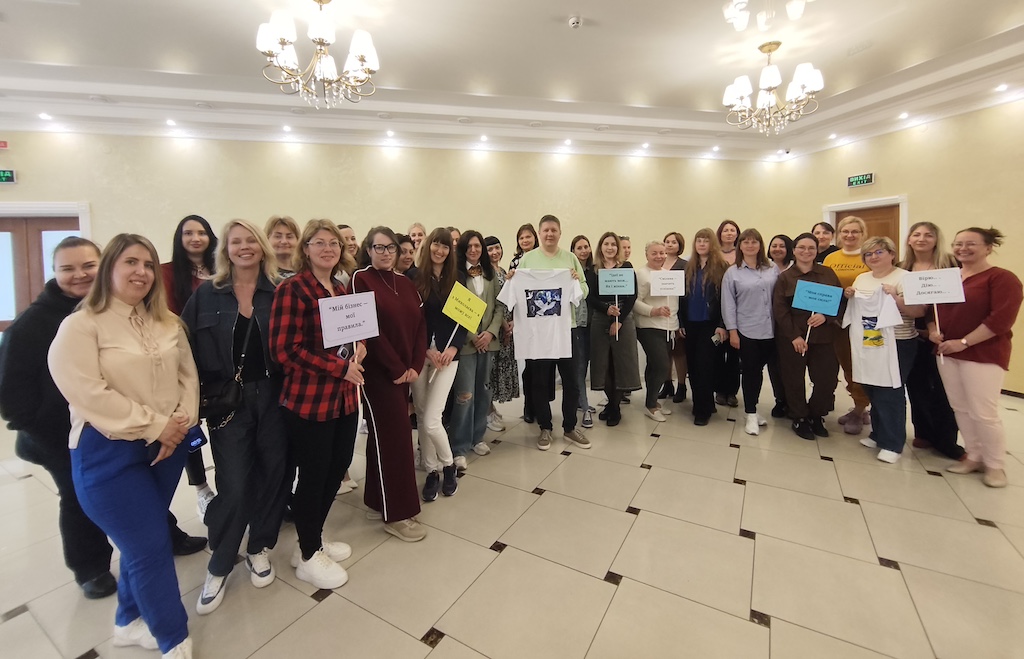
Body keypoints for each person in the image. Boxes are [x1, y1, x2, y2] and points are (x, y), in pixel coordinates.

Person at [49, 234, 199, 659]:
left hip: (168, 446)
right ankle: (173, 637)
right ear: (109, 269)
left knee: (142, 541)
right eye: (131, 262)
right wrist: (156, 426)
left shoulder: (168, 323)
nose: (142, 272)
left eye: (149, 264)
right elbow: (87, 392)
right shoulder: (82, 325)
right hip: (108, 451)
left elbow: (188, 377)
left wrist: (180, 423)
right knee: (150, 546)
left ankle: (127, 622)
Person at [181, 219, 289, 614]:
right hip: (228, 402)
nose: (244, 247)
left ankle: (259, 546)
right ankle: (221, 562)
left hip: (276, 396)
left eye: (250, 241)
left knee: (274, 474)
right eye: (235, 242)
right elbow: (184, 350)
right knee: (236, 482)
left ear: (262, 247)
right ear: (225, 249)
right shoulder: (207, 295)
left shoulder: (280, 290)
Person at [0, 237, 117, 600]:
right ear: (54, 272)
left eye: (88, 265)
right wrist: (55, 436)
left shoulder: (111, 308)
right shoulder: (30, 326)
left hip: (112, 426)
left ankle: (166, 536)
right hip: (59, 437)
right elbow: (12, 400)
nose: (80, 275)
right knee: (79, 497)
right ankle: (90, 568)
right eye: (68, 268)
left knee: (137, 486)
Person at [270, 220, 363, 588]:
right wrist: (340, 368)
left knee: (336, 469)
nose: (328, 249)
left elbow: (349, 337)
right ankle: (309, 555)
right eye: (319, 242)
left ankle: (310, 540)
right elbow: (285, 351)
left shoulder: (340, 289)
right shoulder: (292, 289)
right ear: (305, 249)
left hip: (344, 399)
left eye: (334, 243)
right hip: (309, 402)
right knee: (313, 477)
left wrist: (359, 346)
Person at [351, 227, 428, 540]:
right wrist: (397, 368)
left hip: (405, 373)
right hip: (379, 375)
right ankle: (397, 514)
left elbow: (420, 326)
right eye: (378, 247)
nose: (385, 253)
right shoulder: (361, 279)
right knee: (396, 440)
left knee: (383, 439)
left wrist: (415, 365)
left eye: (390, 247)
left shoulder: (405, 282)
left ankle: (376, 499)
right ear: (368, 250)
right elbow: (367, 329)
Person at [932, 227, 1023, 487]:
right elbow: (932, 310)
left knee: (984, 412)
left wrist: (963, 343)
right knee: (960, 407)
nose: (963, 248)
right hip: (947, 352)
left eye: (971, 244)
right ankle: (974, 456)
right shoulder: (949, 277)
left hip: (982, 354)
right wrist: (933, 331)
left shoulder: (1002, 278)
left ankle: (995, 465)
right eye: (958, 243)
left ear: (988, 248)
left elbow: (1000, 320)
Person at [499, 215, 590, 451]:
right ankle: (545, 427)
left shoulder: (570, 258)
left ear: (560, 233)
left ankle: (570, 427)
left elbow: (584, 289)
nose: (550, 234)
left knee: (572, 382)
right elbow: (514, 293)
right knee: (539, 382)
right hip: (537, 333)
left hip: (566, 329)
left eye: (554, 230)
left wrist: (576, 281)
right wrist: (511, 280)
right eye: (546, 230)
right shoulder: (527, 259)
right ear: (540, 233)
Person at [844, 236, 922, 463]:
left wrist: (895, 297)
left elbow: (918, 311)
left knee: (890, 391)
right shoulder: (862, 278)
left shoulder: (904, 278)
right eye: (868, 254)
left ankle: (893, 443)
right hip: (870, 341)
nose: (873, 257)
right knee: (872, 386)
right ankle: (878, 434)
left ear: (892, 254)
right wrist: (850, 294)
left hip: (897, 342)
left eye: (879, 252)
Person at [161, 214, 217, 518]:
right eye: (188, 233)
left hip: (219, 359)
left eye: (201, 232)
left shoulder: (222, 268)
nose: (195, 238)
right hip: (183, 360)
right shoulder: (166, 273)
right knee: (189, 425)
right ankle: (202, 489)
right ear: (179, 239)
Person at [410, 227, 467, 499]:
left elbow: (465, 320)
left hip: (447, 357)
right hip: (421, 357)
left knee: (433, 418)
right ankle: (431, 470)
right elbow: (410, 321)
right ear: (428, 245)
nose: (440, 250)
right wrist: (423, 351)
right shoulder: (413, 278)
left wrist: (453, 348)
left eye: (445, 246)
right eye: (436, 244)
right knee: (422, 415)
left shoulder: (458, 279)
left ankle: (448, 466)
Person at [900, 222, 964, 460]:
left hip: (942, 335)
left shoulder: (950, 265)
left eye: (928, 235)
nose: (922, 239)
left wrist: (933, 328)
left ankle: (946, 439)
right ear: (909, 239)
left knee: (943, 389)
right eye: (916, 234)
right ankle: (923, 432)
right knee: (916, 386)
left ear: (936, 239)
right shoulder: (903, 268)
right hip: (911, 333)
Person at [774, 233, 842, 440]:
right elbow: (780, 309)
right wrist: (794, 336)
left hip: (823, 337)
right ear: (794, 251)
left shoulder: (828, 273)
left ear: (817, 250)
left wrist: (826, 316)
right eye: (801, 248)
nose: (806, 251)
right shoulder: (785, 277)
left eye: (811, 248)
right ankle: (799, 417)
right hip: (794, 338)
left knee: (826, 380)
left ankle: (816, 414)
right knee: (794, 379)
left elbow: (840, 302)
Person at [450, 231, 505, 460]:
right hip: (466, 344)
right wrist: (473, 336)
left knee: (484, 392)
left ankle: (477, 437)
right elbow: (454, 308)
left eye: (477, 246)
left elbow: (500, 307)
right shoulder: (455, 274)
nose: (474, 250)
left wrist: (490, 333)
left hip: (488, 343)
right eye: (469, 246)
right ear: (463, 249)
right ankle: (459, 446)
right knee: (465, 395)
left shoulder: (491, 273)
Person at [722, 228, 780, 435]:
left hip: (772, 330)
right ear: (740, 246)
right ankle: (751, 413)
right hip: (747, 330)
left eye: (754, 241)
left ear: (760, 245)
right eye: (745, 242)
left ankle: (754, 408)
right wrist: (733, 331)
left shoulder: (772, 268)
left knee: (764, 371)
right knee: (751, 372)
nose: (750, 245)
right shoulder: (732, 273)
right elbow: (728, 304)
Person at [585, 232, 641, 426]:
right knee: (604, 365)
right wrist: (606, 309)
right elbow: (589, 297)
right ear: (600, 247)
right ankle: (611, 403)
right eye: (606, 244)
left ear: (618, 247)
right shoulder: (593, 270)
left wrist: (619, 320)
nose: (610, 248)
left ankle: (615, 408)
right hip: (600, 319)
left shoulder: (626, 267)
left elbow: (632, 295)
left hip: (623, 319)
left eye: (613, 244)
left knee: (621, 365)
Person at [824, 216, 871, 434]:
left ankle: (860, 409)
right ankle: (860, 405)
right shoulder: (831, 258)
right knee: (847, 365)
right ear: (839, 234)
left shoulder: (870, 256)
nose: (850, 235)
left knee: (863, 364)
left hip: (865, 320)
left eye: (855, 231)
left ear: (862, 234)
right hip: (838, 321)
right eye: (845, 231)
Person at [680, 229, 729, 426]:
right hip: (690, 323)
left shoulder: (722, 268)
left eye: (705, 241)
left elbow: (726, 300)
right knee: (693, 366)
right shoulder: (687, 267)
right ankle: (701, 402)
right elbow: (680, 298)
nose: (701, 244)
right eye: (698, 240)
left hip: (711, 325)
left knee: (705, 365)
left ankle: (703, 409)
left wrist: (722, 325)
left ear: (712, 244)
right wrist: (680, 323)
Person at [634, 241, 678, 423]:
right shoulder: (641, 274)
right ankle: (651, 406)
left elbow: (674, 301)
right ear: (647, 255)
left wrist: (676, 323)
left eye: (662, 253)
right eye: (654, 253)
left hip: (669, 328)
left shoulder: (669, 275)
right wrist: (654, 311)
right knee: (662, 366)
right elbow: (635, 301)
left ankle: (651, 401)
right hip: (649, 326)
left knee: (654, 365)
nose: (659, 256)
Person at [485, 235, 518, 430]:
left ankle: (491, 408)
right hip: (495, 329)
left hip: (507, 327)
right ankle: (487, 411)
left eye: (497, 248)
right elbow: (492, 302)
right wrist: (504, 324)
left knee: (499, 370)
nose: (495, 252)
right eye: (490, 249)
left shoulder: (503, 271)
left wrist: (513, 322)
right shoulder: (486, 273)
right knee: (489, 372)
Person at [509, 223, 540, 422]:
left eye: (528, 236)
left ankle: (541, 405)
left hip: (542, 317)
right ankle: (529, 407)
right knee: (529, 366)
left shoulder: (543, 258)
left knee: (542, 366)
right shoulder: (515, 262)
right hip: (524, 319)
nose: (525, 240)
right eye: (521, 237)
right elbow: (512, 291)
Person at [714, 220, 742, 407]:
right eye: (726, 230)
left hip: (738, 311)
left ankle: (731, 392)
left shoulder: (742, 253)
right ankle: (719, 390)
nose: (729, 233)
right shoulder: (713, 254)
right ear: (720, 234)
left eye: (733, 230)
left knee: (734, 355)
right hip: (716, 311)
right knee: (716, 352)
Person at [660, 231, 689, 404]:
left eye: (674, 242)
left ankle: (682, 385)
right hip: (660, 314)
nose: (670, 244)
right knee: (665, 352)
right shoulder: (658, 263)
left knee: (679, 352)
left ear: (680, 246)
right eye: (667, 241)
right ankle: (667, 384)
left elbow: (686, 294)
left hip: (678, 314)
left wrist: (682, 321)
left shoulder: (685, 265)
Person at [570, 234, 595, 428]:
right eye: (579, 248)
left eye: (586, 247)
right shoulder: (569, 271)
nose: (583, 250)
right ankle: (585, 407)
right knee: (578, 366)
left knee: (585, 363)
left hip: (593, 324)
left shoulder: (594, 271)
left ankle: (580, 400)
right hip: (576, 324)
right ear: (573, 251)